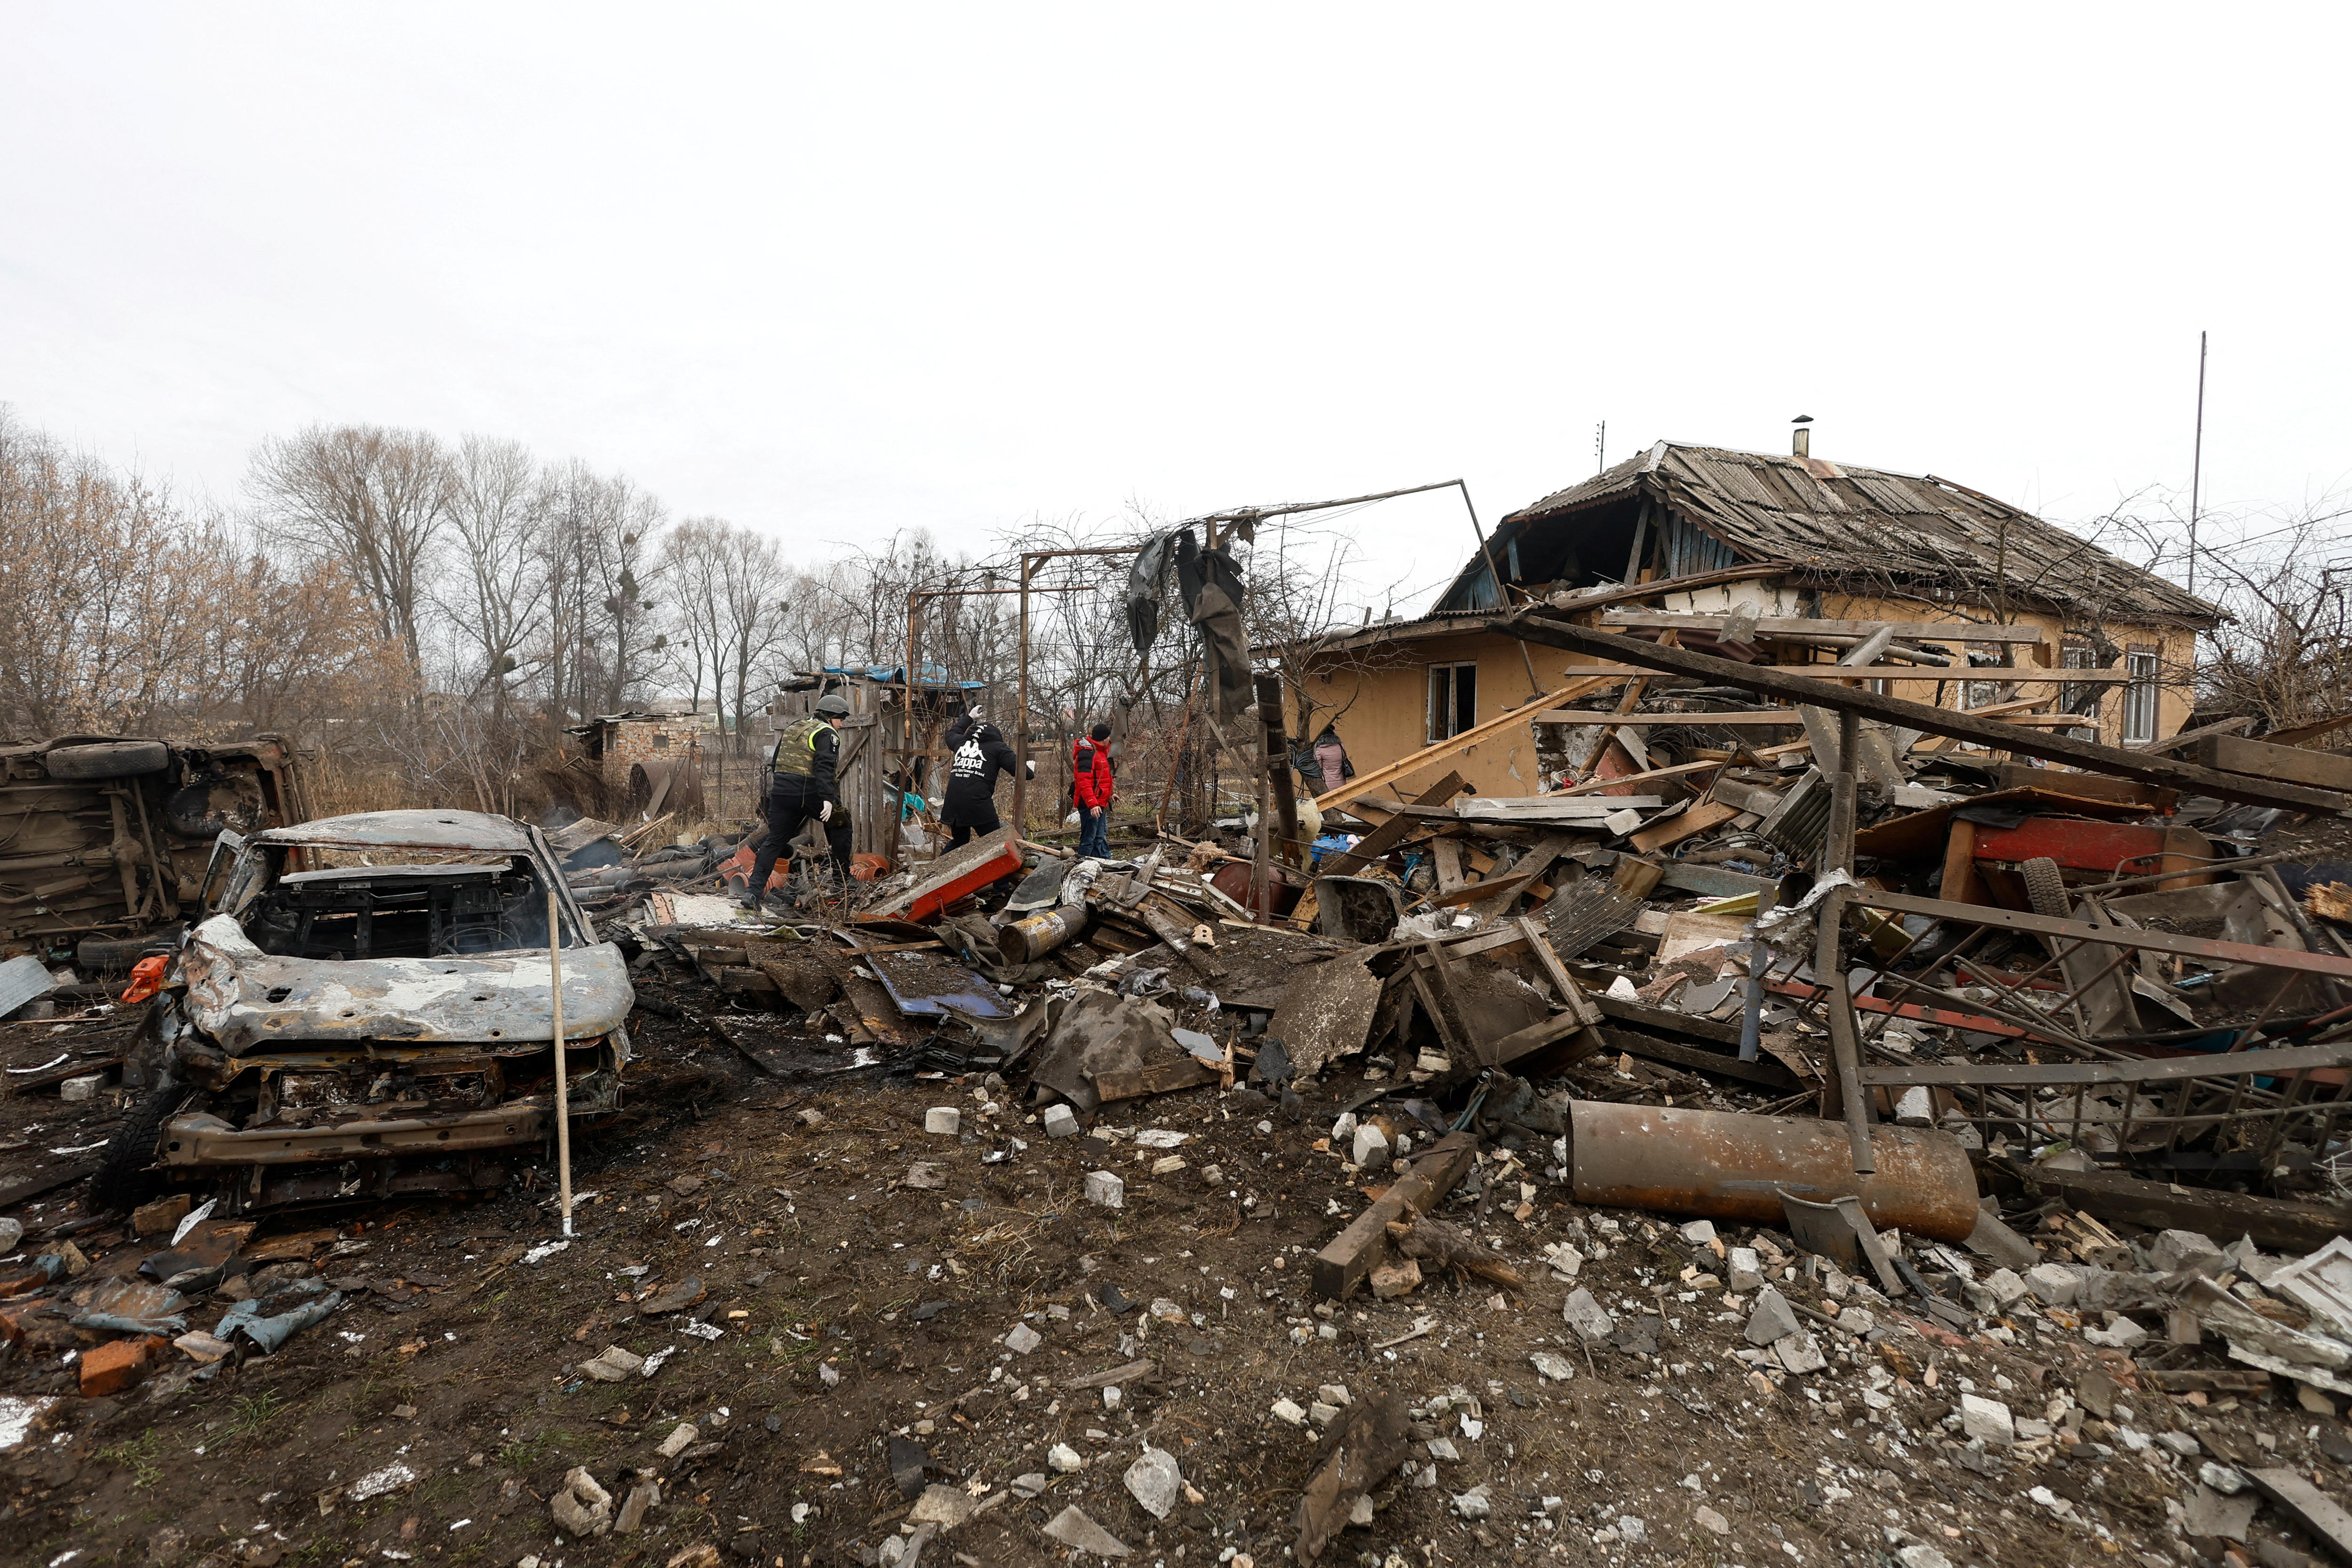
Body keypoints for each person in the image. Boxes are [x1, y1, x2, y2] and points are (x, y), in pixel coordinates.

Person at [746, 692, 852, 907]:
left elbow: (776, 763)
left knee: (774, 842)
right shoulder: (827, 732)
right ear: (831, 716)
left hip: (782, 793)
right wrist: (828, 799)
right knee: (842, 825)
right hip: (809, 793)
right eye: (841, 718)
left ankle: (752, 894)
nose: (842, 724)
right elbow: (824, 766)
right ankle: (842, 881)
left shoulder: (795, 727)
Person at [938, 707, 1031, 851]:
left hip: (953, 804)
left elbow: (951, 733)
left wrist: (970, 717)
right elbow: (1026, 774)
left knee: (959, 841)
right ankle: (1000, 872)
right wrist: (1030, 765)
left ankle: (938, 871)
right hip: (978, 804)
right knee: (994, 842)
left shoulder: (961, 743)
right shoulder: (998, 748)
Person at [1072, 721, 1114, 859]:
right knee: (1089, 839)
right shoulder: (1087, 754)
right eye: (1108, 736)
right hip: (1090, 805)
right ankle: (1081, 865)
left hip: (1100, 803)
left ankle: (1104, 864)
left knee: (1100, 837)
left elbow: (1102, 779)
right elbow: (1084, 782)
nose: (1110, 739)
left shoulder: (1102, 752)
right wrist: (1092, 804)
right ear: (1103, 738)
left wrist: (1110, 794)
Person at [1311, 724, 1353, 794]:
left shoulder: (1320, 749)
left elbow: (1318, 768)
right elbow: (1344, 758)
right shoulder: (1340, 746)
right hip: (1342, 782)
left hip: (1327, 784)